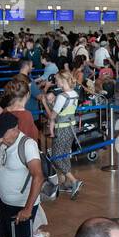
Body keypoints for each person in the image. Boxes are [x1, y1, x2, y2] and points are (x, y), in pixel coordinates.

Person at [0, 113, 44, 237]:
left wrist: (28, 209)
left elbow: (38, 176)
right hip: (6, 203)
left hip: (21, 205)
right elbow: (1, 170)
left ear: (15, 129)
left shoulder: (27, 145)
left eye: (2, 134)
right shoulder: (4, 144)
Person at [42, 70, 84, 198]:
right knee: (65, 155)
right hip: (71, 128)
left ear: (62, 80)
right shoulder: (75, 94)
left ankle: (74, 180)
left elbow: (52, 116)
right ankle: (67, 183)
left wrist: (45, 103)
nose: (56, 83)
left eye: (57, 80)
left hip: (61, 129)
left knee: (56, 157)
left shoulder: (62, 96)